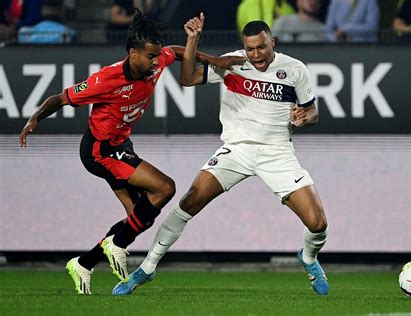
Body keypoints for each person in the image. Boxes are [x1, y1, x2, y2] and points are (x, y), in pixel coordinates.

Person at [18, 9, 244, 295]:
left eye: (155, 56)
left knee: (138, 218)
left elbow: (173, 52)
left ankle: (84, 263)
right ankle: (117, 245)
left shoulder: (155, 60)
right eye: (149, 56)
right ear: (132, 53)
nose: (155, 61)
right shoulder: (106, 79)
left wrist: (212, 59)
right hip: (101, 150)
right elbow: (60, 98)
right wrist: (34, 119)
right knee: (165, 188)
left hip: (121, 146)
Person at [113, 14, 330, 296]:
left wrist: (305, 117)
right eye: (250, 48)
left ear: (272, 42)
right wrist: (193, 40)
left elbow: (312, 110)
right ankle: (148, 267)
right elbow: (188, 78)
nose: (256, 54)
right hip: (236, 150)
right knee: (190, 200)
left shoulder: (295, 69)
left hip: (277, 152)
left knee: (318, 223)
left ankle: (309, 257)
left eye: (261, 47)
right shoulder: (233, 62)